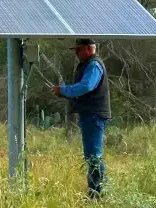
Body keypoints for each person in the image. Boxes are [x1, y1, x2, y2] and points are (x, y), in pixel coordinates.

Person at [50, 38, 111, 199]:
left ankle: (96, 194)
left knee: (93, 156)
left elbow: (86, 86)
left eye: (78, 50)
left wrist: (64, 90)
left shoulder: (93, 65)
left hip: (93, 115)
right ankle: (96, 192)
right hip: (89, 114)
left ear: (88, 49)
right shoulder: (89, 64)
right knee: (91, 154)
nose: (76, 54)